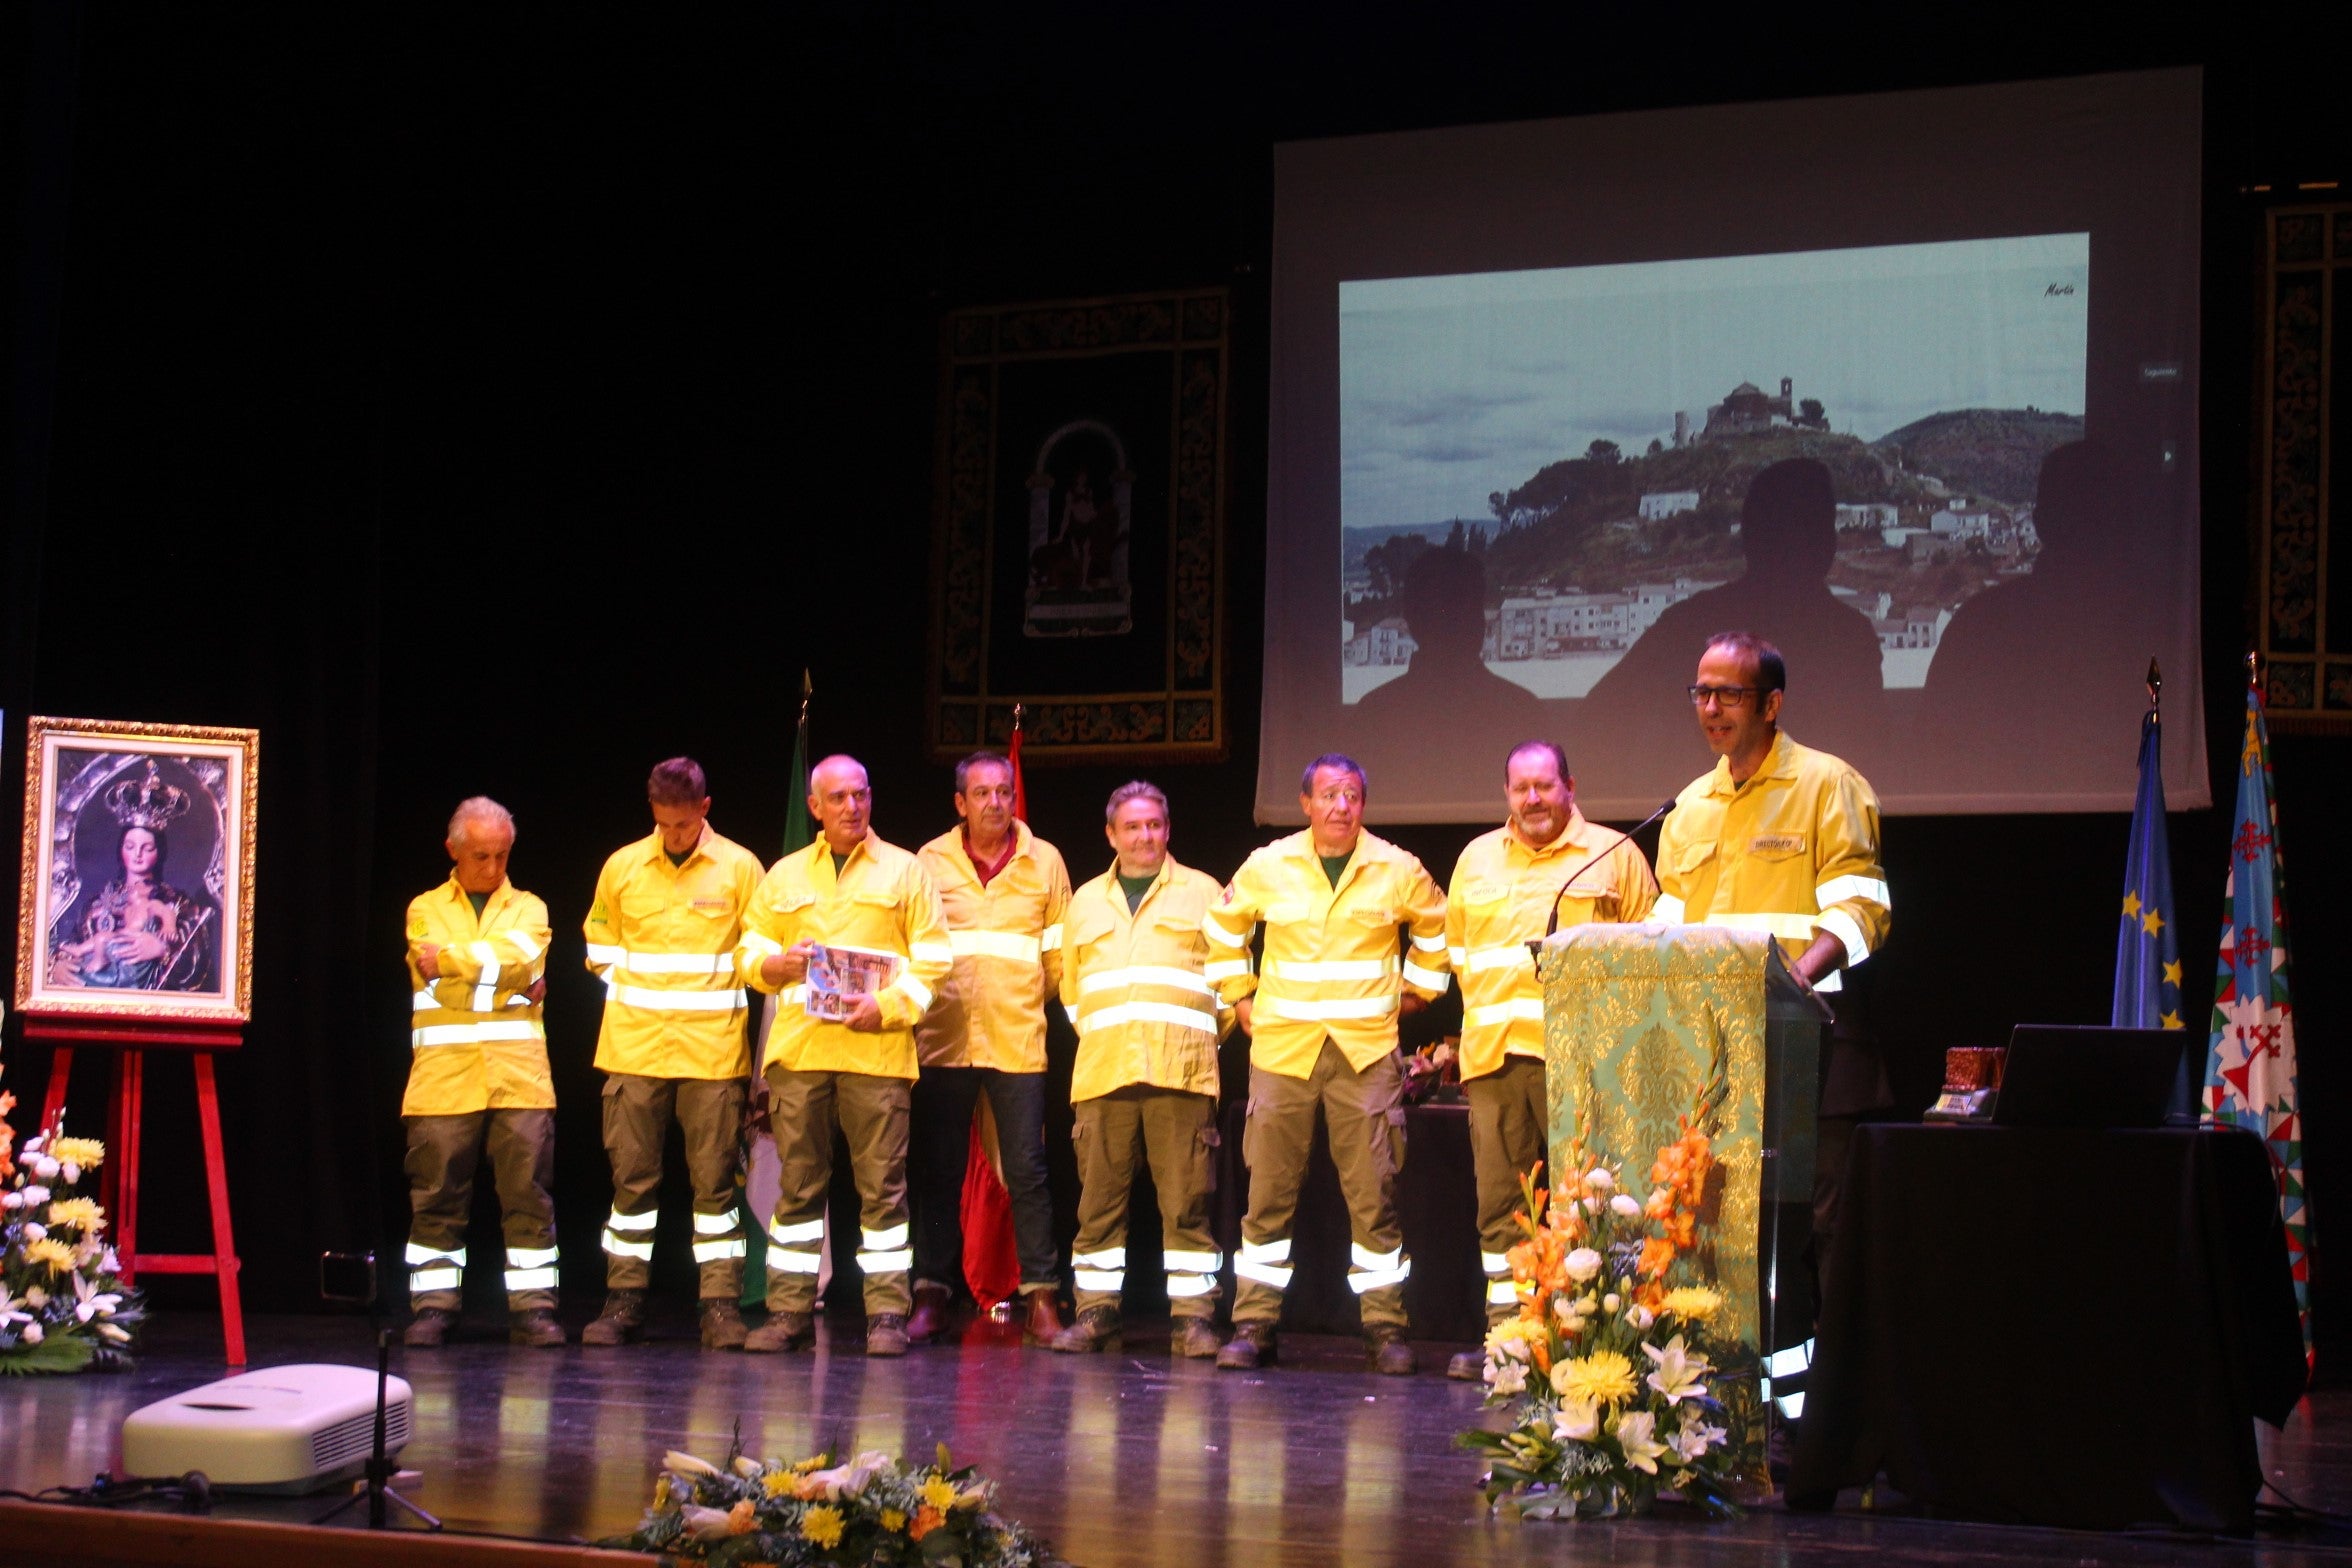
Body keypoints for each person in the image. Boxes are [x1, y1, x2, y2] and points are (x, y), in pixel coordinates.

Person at [1653, 632, 1891, 1289]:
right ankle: (1747, 1383)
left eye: (1729, 692)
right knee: (1730, 1223)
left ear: (1771, 703)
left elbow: (1862, 910)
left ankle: (1827, 1386)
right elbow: (1669, 924)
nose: (1710, 707)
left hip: (1813, 1038)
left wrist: (1791, 978)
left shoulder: (1826, 784)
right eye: (1701, 691)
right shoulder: (1689, 807)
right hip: (1720, 1049)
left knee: (1820, 1228)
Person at [1204, 754, 1450, 1375]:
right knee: (1267, 1194)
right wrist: (1240, 996)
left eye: (1352, 795)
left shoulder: (1396, 868)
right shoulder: (1269, 865)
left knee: (1374, 1194)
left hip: (1365, 1054)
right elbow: (1222, 927)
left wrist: (1413, 995)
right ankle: (1254, 1323)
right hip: (1284, 1050)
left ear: (1363, 805)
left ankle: (1385, 1329)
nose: (1341, 806)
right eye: (1329, 795)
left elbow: (1440, 932)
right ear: (1305, 803)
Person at [1437, 740, 1658, 1380]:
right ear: (1507, 792)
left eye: (1544, 785)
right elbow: (1460, 954)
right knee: (1502, 1208)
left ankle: (1583, 1341)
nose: (1532, 799)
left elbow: (1650, 957)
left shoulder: (1615, 855)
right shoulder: (1475, 859)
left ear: (1569, 786)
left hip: (1583, 1063)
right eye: (1519, 787)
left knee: (1586, 1204)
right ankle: (1508, 1340)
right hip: (1494, 1059)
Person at [734, 755, 952, 1357]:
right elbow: (749, 947)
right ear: (815, 807)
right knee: (798, 1189)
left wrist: (889, 1006)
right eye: (838, 798)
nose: (852, 807)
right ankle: (788, 1311)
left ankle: (886, 1313)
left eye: (860, 794)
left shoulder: (905, 872)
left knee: (883, 1187)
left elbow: (934, 961)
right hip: (802, 1054)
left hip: (877, 1054)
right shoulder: (781, 876)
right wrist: (770, 966)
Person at [577, 758, 766, 1351]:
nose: (674, 835)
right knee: (631, 1185)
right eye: (664, 824)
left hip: (711, 1057)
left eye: (684, 824)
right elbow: (598, 944)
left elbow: (758, 950)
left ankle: (719, 1306)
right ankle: (623, 1300)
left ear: (704, 809)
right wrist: (638, 989)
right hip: (635, 1050)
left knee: (714, 1188)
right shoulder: (623, 866)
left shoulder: (740, 868)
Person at [1047, 781, 1231, 1359]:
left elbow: (1230, 986)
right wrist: (1113, 1035)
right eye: (1132, 826)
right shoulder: (1082, 902)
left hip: (1181, 1072)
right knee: (1096, 1205)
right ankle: (1096, 1313)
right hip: (1104, 1073)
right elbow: (1071, 992)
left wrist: (1191, 1037)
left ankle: (1194, 1320)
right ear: (1111, 834)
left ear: (1168, 829)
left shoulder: (1206, 893)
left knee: (1187, 1206)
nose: (1144, 835)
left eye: (1154, 824)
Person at [908, 752, 1074, 1346]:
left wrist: (1019, 998)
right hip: (944, 1039)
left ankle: (1041, 1298)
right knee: (940, 1173)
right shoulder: (927, 861)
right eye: (982, 794)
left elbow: (1060, 960)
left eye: (1005, 792)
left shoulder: (1045, 861)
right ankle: (931, 1292)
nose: (996, 803)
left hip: (1017, 1041)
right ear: (960, 803)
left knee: (1028, 1172)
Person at [399, 797, 563, 1349]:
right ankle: (433, 1308)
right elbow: (435, 981)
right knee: (437, 1200)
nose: (493, 869)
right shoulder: (424, 907)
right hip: (442, 1081)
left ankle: (535, 1310)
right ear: (453, 851)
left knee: (528, 1199)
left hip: (520, 1078)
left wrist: (453, 960)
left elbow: (524, 962)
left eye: (501, 856)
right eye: (481, 857)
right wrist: (507, 983)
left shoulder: (531, 907)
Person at [50, 762, 217, 993]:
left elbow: (197, 962)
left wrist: (161, 950)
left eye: (147, 848)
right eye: (130, 846)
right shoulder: (98, 904)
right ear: (121, 849)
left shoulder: (177, 903)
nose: (137, 854)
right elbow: (75, 948)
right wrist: (57, 967)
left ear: (159, 853)